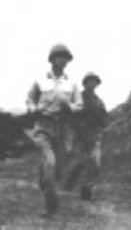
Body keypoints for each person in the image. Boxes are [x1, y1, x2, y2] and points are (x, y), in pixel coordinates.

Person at [25, 43, 82, 216]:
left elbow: (79, 105)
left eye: (65, 57)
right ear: (52, 59)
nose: (62, 60)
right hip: (44, 125)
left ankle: (44, 177)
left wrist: (70, 107)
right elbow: (29, 99)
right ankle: (51, 206)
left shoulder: (71, 84)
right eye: (59, 56)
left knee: (59, 168)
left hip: (63, 128)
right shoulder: (40, 80)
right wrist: (33, 109)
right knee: (50, 161)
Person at [66, 71, 108, 201]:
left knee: (95, 164)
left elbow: (104, 118)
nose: (92, 84)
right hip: (79, 136)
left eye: (95, 82)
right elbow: (69, 116)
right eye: (90, 81)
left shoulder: (99, 101)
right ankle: (72, 177)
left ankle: (87, 191)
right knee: (80, 162)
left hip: (94, 137)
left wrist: (100, 127)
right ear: (85, 83)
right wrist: (78, 127)